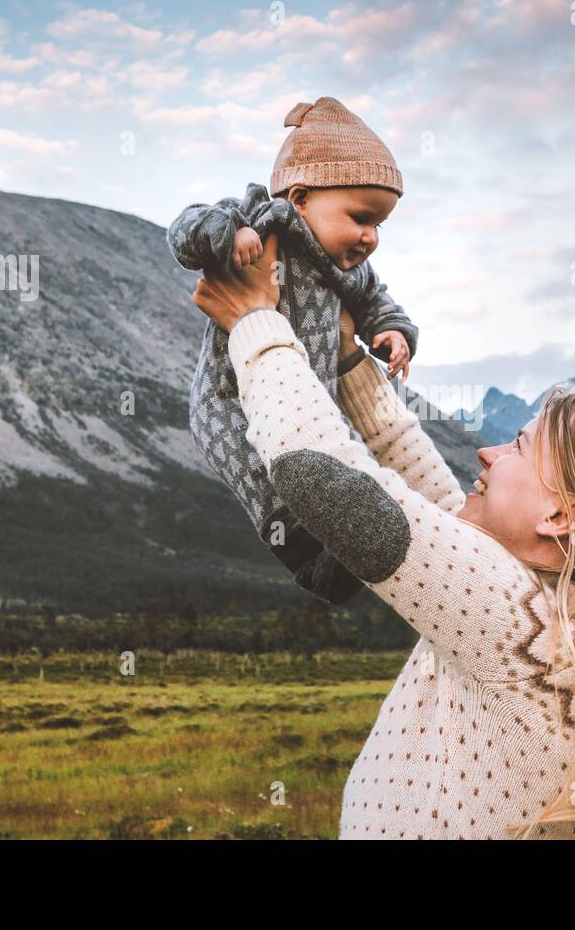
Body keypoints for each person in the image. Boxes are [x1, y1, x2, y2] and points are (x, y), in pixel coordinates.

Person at [191, 235, 575, 839]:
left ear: (561, 516)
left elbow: (323, 476)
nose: (488, 452)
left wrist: (255, 324)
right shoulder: (565, 623)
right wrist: (349, 361)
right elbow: (427, 500)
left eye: (520, 447)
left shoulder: (523, 628)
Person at [167, 97, 418, 606]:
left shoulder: (348, 269)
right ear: (300, 197)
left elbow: (376, 297)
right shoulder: (260, 223)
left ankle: (350, 547)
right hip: (229, 398)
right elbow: (185, 229)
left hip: (308, 399)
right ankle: (307, 558)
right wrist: (227, 233)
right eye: (360, 217)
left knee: (332, 467)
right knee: (263, 472)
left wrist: (392, 330)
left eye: (380, 226)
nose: (370, 237)